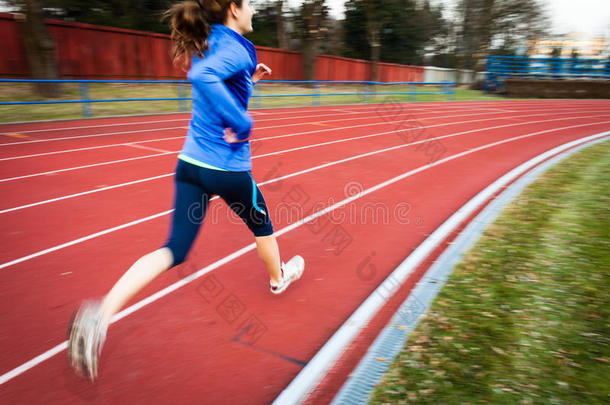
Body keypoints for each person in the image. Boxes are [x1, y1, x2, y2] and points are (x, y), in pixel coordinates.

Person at [68, 0, 305, 381]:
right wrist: (242, 120)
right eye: (250, 6)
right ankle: (278, 279)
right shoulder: (237, 48)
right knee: (262, 225)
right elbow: (205, 78)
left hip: (190, 166)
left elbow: (212, 80)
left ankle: (100, 316)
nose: (254, 12)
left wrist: (249, 82)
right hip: (228, 171)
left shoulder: (207, 40)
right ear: (233, 8)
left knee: (173, 250)